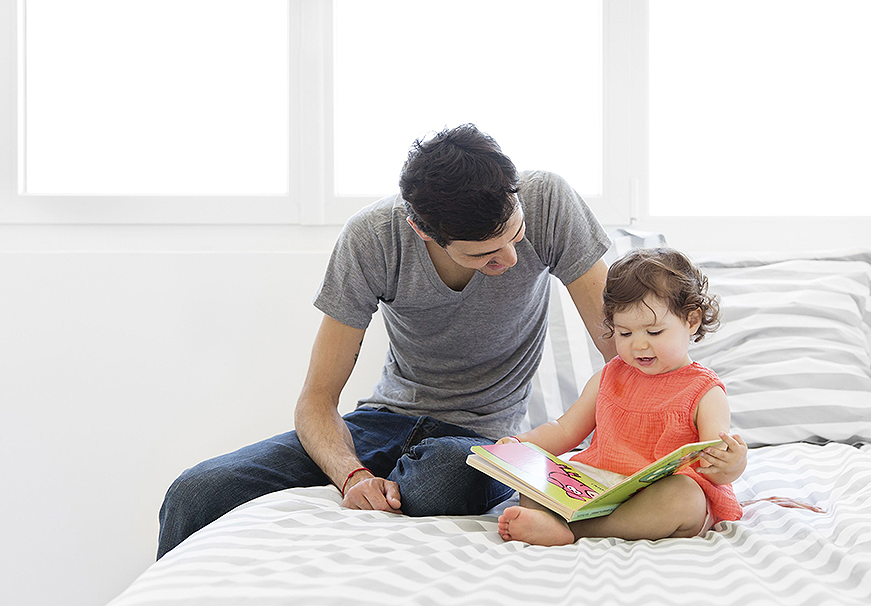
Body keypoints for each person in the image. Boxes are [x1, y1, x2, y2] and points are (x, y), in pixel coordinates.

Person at [156, 124, 616, 559]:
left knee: (438, 478)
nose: (512, 257)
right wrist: (352, 475)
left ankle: (415, 477)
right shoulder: (372, 237)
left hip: (483, 439)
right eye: (485, 255)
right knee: (195, 491)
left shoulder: (549, 201)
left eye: (515, 234)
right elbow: (315, 401)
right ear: (422, 229)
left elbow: (620, 358)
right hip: (382, 424)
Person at [495, 247, 747, 546]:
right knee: (534, 471)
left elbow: (714, 467)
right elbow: (564, 430)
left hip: (657, 495)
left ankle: (573, 530)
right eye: (625, 334)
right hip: (599, 485)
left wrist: (732, 463)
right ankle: (556, 519)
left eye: (653, 332)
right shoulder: (610, 375)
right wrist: (521, 446)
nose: (639, 345)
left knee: (685, 497)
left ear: (691, 321)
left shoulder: (705, 392)